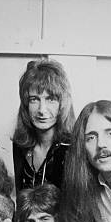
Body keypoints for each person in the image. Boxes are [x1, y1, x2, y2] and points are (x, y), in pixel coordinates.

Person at [12, 59, 75, 194]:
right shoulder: (20, 144)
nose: (42, 110)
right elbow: (20, 197)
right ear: (25, 104)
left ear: (62, 104)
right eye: (34, 99)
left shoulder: (73, 148)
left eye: (50, 99)